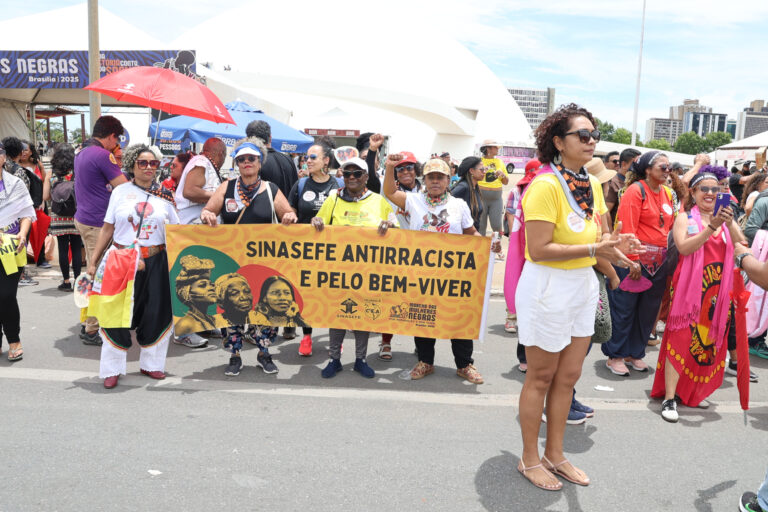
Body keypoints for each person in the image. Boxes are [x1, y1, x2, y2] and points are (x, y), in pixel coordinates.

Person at [515, 103, 637, 491]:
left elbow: (600, 237)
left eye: (594, 135)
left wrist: (617, 248)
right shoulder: (545, 185)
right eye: (582, 135)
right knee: (540, 376)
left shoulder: (591, 184)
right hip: (548, 287)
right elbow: (538, 249)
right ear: (557, 142)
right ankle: (529, 458)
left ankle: (555, 454)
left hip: (583, 285)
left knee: (568, 377)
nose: (591, 141)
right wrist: (595, 250)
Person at [384, 155, 498, 384]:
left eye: (440, 177)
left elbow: (471, 233)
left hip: (453, 276)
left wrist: (489, 245)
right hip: (421, 275)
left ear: (448, 180)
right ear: (424, 180)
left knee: (459, 318)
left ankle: (464, 365)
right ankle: (425, 361)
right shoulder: (413, 201)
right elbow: (389, 192)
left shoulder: (459, 205)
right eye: (431, 177)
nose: (435, 181)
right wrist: (389, 167)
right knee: (423, 317)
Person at [201, 138, 298, 377]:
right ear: (236, 163)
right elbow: (208, 210)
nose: (247, 162)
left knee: (264, 309)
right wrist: (207, 215)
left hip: (262, 263)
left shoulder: (270, 189)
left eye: (251, 158)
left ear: (259, 162)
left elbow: (288, 213)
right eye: (241, 159)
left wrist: (289, 217)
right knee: (231, 309)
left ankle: (264, 353)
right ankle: (234, 356)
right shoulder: (227, 187)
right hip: (232, 262)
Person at [650, 172, 743, 420]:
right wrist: (711, 227)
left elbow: (742, 244)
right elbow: (684, 247)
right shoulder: (685, 218)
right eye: (704, 189)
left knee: (706, 344)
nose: (710, 193)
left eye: (715, 189)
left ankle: (691, 392)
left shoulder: (725, 219)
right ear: (693, 192)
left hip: (717, 295)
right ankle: (670, 398)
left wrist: (729, 223)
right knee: (681, 339)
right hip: (689, 292)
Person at [85, 144, 179, 389]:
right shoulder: (120, 192)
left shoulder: (166, 195)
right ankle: (112, 369)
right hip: (120, 259)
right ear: (131, 165)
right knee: (114, 314)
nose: (148, 167)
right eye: (142, 162)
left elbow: (176, 232)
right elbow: (107, 228)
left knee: (156, 312)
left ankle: (152, 364)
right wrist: (93, 262)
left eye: (153, 163)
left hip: (156, 260)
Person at [311, 156, 397, 379]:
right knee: (337, 315)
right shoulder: (333, 199)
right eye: (347, 173)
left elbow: (397, 230)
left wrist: (389, 225)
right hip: (338, 272)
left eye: (357, 173)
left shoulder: (378, 201)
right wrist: (316, 222)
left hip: (368, 273)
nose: (351, 178)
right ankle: (334, 359)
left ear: (366, 177)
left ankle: (361, 360)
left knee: (363, 316)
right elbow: (318, 223)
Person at [602, 151, 674, 376]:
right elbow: (627, 227)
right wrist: (632, 261)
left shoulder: (667, 193)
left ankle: (635, 353)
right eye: (663, 167)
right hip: (634, 260)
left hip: (659, 262)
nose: (668, 171)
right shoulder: (636, 190)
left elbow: (669, 228)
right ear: (647, 170)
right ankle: (615, 355)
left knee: (647, 311)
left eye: (669, 167)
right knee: (624, 308)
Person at [73, 115, 128, 345]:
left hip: (85, 218)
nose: (116, 145)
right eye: (117, 140)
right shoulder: (102, 155)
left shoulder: (82, 152)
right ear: (112, 136)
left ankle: (87, 322)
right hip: (97, 222)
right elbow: (124, 188)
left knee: (91, 270)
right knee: (98, 275)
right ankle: (92, 329)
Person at [286, 138, 340, 356]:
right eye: (306, 157)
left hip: (333, 252)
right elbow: (290, 210)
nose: (307, 161)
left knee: (332, 294)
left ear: (326, 160)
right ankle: (307, 336)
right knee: (306, 294)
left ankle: (335, 338)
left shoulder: (339, 185)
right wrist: (289, 216)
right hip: (306, 252)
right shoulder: (300, 185)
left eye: (313, 157)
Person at [0, 141, 35, 362]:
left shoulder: (15, 183)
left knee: (6, 295)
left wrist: (22, 233)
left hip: (11, 247)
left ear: (3, 157)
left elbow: (26, 213)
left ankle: (14, 340)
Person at [502, 158, 542, 341]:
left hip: (538, 242)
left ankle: (530, 317)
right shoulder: (516, 191)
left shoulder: (544, 188)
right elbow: (511, 215)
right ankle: (511, 317)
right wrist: (513, 239)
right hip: (520, 241)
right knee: (514, 277)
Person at [43, 143, 82, 291]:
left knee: (63, 249)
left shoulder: (51, 173)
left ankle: (66, 282)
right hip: (76, 214)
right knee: (77, 248)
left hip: (59, 215)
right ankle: (78, 281)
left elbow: (45, 196)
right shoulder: (78, 171)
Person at [176, 137, 227, 225]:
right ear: (221, 153)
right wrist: (219, 195)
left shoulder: (206, 163)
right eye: (225, 157)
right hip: (193, 224)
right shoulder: (201, 161)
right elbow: (189, 191)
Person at [245, 120, 299, 198]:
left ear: (249, 140)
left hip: (266, 205)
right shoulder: (288, 159)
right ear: (270, 138)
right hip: (288, 205)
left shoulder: (255, 162)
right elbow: (296, 191)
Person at [174, 255, 217, 335]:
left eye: (211, 284)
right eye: (202, 285)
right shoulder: (185, 324)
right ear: (186, 293)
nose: (211, 288)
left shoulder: (211, 320)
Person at [477, 139, 510, 240]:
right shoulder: (478, 162)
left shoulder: (500, 162)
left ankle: (497, 245)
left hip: (496, 199)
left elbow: (506, 182)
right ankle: (480, 247)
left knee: (496, 225)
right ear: (488, 149)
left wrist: (503, 175)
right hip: (480, 198)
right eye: (495, 147)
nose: (497, 149)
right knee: (481, 226)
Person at [603, 148, 641, 226]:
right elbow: (605, 212)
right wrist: (610, 231)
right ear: (624, 164)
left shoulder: (637, 182)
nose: (639, 167)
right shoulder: (613, 183)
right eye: (635, 164)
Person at [452, 156, 484, 231]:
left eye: (485, 169)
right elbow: (445, 200)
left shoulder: (475, 187)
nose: (484, 172)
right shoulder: (463, 187)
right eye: (481, 169)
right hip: (463, 235)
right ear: (471, 171)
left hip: (473, 234)